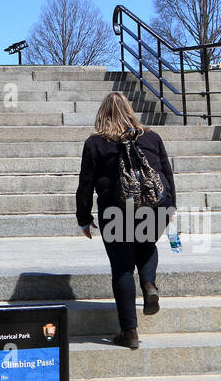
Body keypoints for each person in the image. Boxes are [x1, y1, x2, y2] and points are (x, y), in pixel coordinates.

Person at [76, 91, 177, 349]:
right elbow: (167, 172)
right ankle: (149, 284)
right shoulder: (151, 137)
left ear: (102, 114)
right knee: (146, 246)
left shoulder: (95, 143)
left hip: (117, 209)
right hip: (157, 205)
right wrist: (172, 205)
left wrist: (84, 218)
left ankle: (129, 333)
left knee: (122, 268)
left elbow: (85, 184)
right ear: (130, 111)